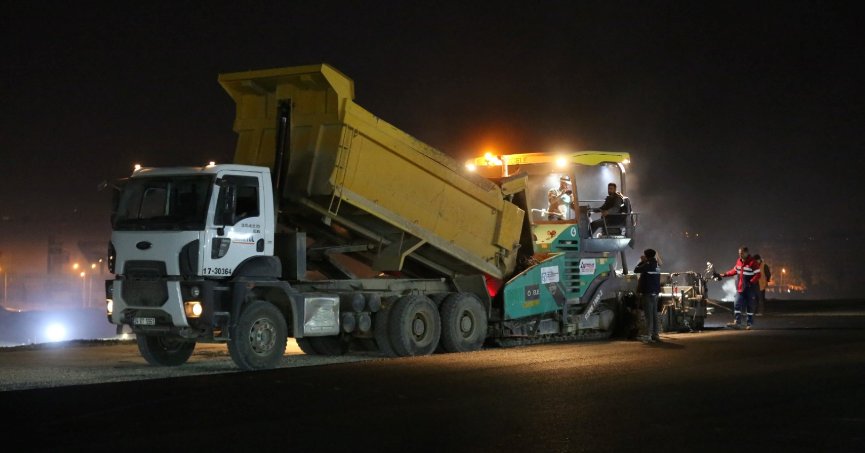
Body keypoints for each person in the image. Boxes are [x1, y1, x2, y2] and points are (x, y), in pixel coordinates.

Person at [715, 246, 761, 329]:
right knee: (737, 303)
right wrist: (724, 274)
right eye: (739, 253)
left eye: (742, 253)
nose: (740, 255)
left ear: (747, 253)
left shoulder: (752, 262)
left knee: (750, 306)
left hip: (750, 288)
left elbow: (758, 275)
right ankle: (737, 322)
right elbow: (734, 271)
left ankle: (749, 324)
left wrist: (751, 282)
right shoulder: (739, 261)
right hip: (740, 288)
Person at [634, 248, 662, 343]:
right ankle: (656, 334)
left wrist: (642, 262)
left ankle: (648, 335)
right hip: (655, 293)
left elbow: (636, 270)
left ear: (646, 256)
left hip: (648, 293)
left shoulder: (648, 265)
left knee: (648, 315)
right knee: (654, 314)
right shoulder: (657, 265)